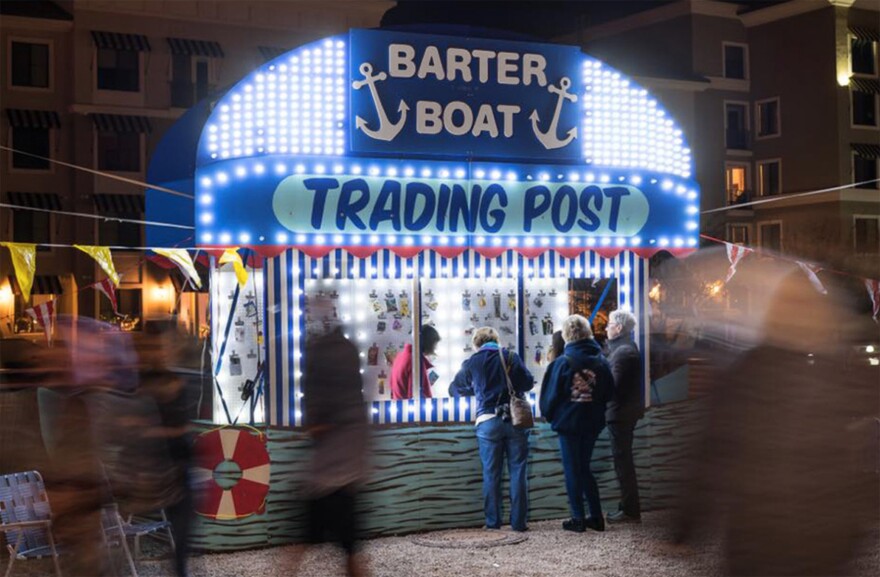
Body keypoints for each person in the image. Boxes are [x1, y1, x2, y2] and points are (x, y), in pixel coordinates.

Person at [300, 297, 371, 577]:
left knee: (304, 543)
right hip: (347, 472)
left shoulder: (321, 360)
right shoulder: (351, 383)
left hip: (326, 476)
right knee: (350, 547)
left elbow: (316, 425)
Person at [449, 327, 534, 532]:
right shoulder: (511, 357)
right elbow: (528, 383)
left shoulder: (472, 362)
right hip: (515, 421)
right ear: (496, 340)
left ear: (477, 344)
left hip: (487, 421)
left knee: (491, 473)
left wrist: (477, 389)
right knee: (518, 471)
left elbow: (454, 390)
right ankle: (519, 523)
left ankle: (493, 523)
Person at [539, 314, 613, 533]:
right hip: (593, 422)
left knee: (572, 469)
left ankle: (578, 517)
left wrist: (551, 416)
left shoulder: (561, 363)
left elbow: (550, 396)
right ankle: (596, 516)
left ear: (566, 334)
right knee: (584, 468)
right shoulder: (601, 361)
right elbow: (609, 391)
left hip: (569, 424)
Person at [604, 309, 644, 523]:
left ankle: (630, 509)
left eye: (609, 324)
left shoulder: (622, 353)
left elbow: (614, 386)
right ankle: (628, 506)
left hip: (619, 414)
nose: (606, 328)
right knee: (623, 461)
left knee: (623, 462)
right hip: (624, 413)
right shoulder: (627, 349)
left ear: (618, 328)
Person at [390, 325, 441, 399]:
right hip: (411, 408)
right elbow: (415, 396)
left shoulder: (400, 357)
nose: (435, 348)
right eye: (435, 344)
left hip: (400, 405)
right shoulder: (415, 361)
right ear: (429, 343)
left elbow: (392, 385)